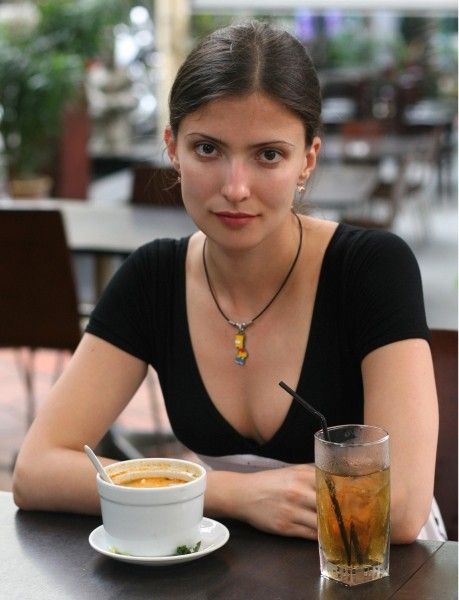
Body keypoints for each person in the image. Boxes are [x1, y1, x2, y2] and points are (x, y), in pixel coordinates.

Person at [13, 21, 442, 543]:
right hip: (224, 561)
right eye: (208, 149)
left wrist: (184, 488)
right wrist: (231, 493)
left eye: (268, 155)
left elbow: (399, 511)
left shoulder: (371, 268)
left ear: (307, 159)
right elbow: (35, 470)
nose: (235, 188)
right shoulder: (154, 278)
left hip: (370, 568)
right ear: (172, 147)